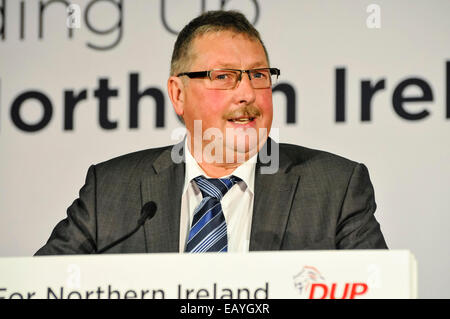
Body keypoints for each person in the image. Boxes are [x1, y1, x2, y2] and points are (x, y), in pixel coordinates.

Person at [35, 10, 387, 255]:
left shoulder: (336, 188)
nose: (247, 93)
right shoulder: (110, 192)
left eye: (259, 75)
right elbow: (42, 286)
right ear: (177, 94)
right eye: (223, 77)